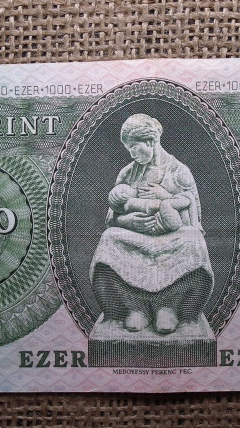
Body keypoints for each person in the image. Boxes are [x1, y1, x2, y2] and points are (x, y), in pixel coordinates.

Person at [90, 113, 214, 335]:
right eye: (128, 149)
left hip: (171, 235)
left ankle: (168, 306)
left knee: (193, 239)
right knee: (109, 238)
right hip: (136, 235)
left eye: (134, 147)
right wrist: (129, 221)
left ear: (150, 141)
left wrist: (165, 196)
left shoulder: (179, 172)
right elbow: (112, 217)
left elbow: (194, 219)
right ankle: (136, 306)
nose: (131, 154)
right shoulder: (128, 173)